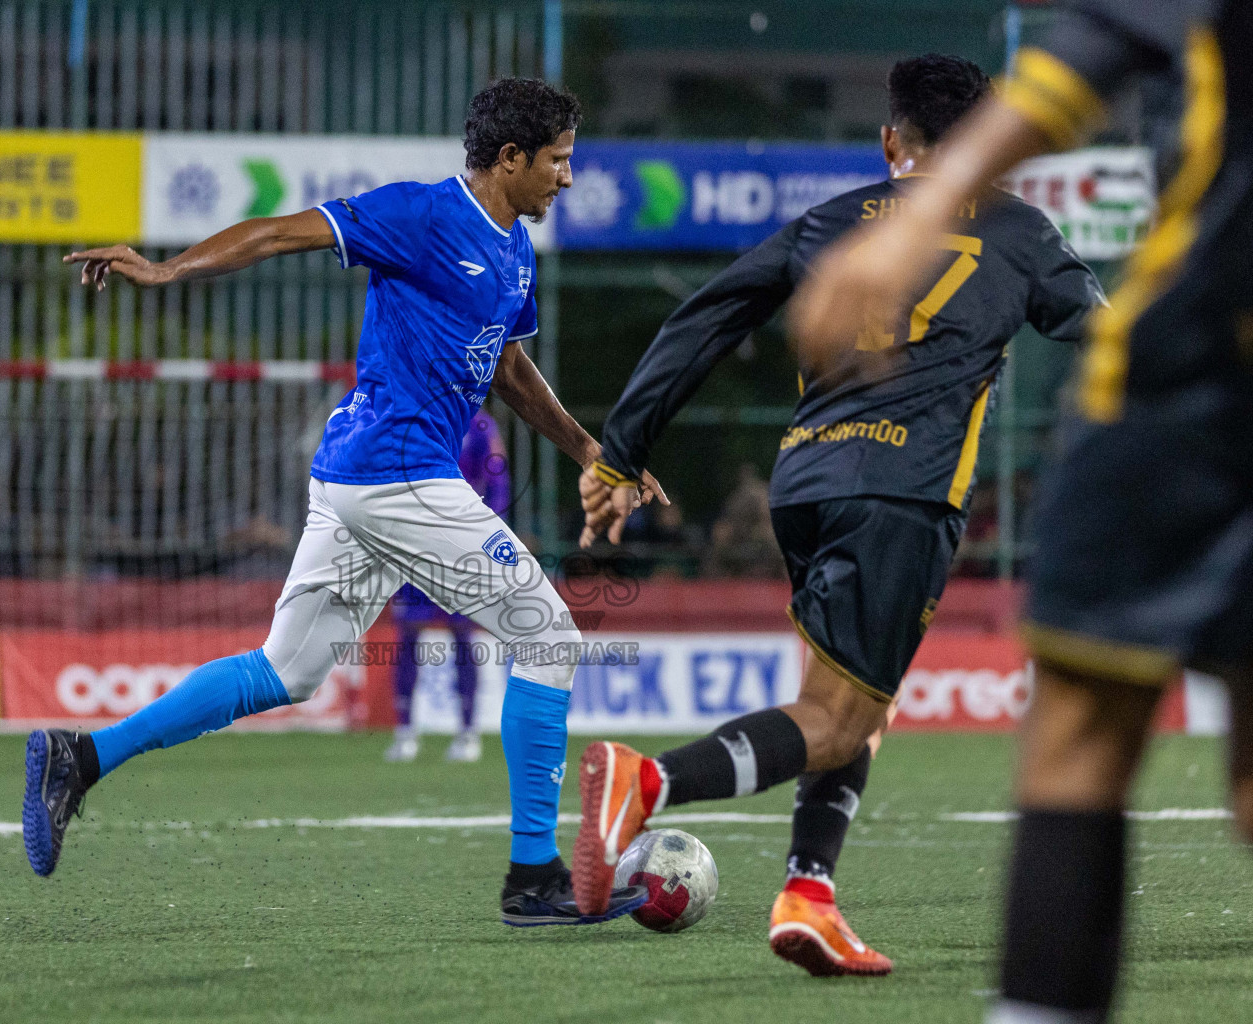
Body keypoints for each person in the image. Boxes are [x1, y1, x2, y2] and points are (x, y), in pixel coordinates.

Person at [25, 78, 666, 928]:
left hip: (364, 478)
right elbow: (280, 231)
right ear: (510, 159)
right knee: (546, 630)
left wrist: (596, 452)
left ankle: (81, 756)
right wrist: (168, 268)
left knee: (285, 671)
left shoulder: (515, 250)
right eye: (558, 160)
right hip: (394, 469)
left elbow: (509, 370)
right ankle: (533, 876)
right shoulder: (422, 215)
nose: (569, 177)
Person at [573, 54, 1104, 975]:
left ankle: (808, 894)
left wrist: (620, 453)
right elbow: (1105, 332)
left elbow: (704, 318)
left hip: (807, 482)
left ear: (889, 141)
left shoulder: (828, 221)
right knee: (839, 721)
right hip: (906, 493)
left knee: (851, 703)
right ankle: (648, 779)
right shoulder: (1020, 232)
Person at [788, 4, 1253, 1020]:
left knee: (1081, 722)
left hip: (1194, 369)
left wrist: (921, 212)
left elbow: (1082, 59)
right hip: (1189, 377)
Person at [385, 409, 509, 763]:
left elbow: (498, 481)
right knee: (409, 632)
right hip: (417, 544)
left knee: (462, 634)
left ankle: (468, 731)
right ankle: (405, 730)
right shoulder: (411, 417)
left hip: (463, 547)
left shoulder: (482, 425)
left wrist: (490, 533)